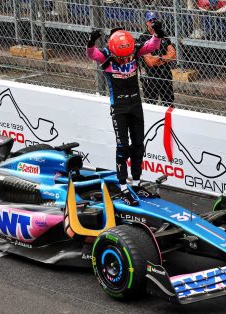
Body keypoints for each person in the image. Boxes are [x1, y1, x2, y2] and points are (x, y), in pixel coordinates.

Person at [86, 24, 164, 206]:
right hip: (119, 108)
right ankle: (122, 187)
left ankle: (136, 184)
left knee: (138, 145)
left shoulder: (135, 50)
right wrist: (90, 43)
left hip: (136, 105)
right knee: (123, 147)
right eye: (121, 58)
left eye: (128, 57)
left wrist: (159, 33)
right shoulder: (105, 55)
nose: (125, 60)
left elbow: (151, 45)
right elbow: (92, 54)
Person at [137, 11, 176, 106]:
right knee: (151, 104)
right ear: (146, 23)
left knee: (169, 102)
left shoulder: (163, 34)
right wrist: (166, 58)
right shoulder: (143, 38)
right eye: (150, 20)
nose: (153, 22)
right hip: (151, 74)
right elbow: (150, 62)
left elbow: (173, 55)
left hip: (165, 73)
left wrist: (159, 58)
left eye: (154, 19)